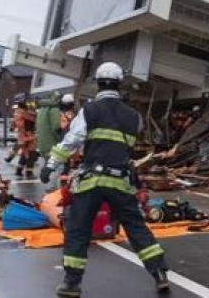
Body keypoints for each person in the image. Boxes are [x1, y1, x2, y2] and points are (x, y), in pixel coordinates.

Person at [41, 62, 169, 297]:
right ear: (119, 85)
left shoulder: (89, 110)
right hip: (120, 182)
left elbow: (72, 140)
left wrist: (50, 165)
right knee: (136, 227)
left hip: (91, 181)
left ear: (98, 83)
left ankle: (71, 283)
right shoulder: (133, 117)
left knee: (78, 230)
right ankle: (160, 274)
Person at [35, 95, 63, 169]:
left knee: (48, 164)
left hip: (42, 144)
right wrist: (62, 139)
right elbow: (56, 127)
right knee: (54, 167)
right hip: (51, 144)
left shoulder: (41, 109)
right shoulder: (54, 109)